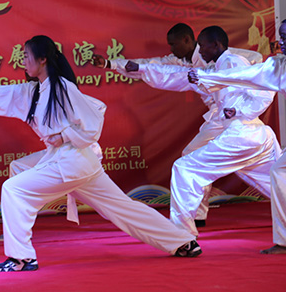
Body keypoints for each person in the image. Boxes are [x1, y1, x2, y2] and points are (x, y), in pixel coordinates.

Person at [0, 35, 202, 273]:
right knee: (123, 208)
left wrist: (64, 136)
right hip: (77, 164)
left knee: (13, 190)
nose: (24, 62)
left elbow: (92, 123)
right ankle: (182, 242)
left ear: (42, 60)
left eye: (27, 57)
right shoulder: (35, 90)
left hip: (71, 161)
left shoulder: (62, 87)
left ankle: (22, 258)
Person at [94, 22, 263, 228]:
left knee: (253, 168)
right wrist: (112, 64)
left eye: (173, 44)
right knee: (193, 158)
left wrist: (237, 98)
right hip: (220, 118)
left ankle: (185, 223)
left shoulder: (230, 58)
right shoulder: (183, 61)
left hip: (239, 119)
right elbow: (161, 68)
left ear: (189, 40)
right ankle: (196, 216)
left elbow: (257, 65)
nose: (171, 49)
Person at [133, 26, 278, 237]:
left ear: (216, 45)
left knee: (184, 168)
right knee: (276, 182)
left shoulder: (233, 62)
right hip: (255, 136)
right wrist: (136, 67)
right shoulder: (216, 67)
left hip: (242, 134)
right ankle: (187, 226)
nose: (199, 51)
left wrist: (238, 111)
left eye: (202, 46)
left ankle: (181, 235)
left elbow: (266, 89)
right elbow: (176, 74)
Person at [189, 19, 286, 254]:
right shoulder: (279, 65)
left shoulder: (233, 61)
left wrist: (239, 111)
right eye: (281, 37)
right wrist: (206, 79)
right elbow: (249, 76)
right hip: (233, 126)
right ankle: (283, 242)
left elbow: (256, 87)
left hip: (244, 129)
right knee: (278, 173)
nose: (281, 43)